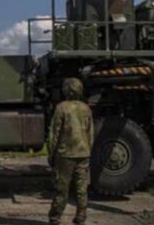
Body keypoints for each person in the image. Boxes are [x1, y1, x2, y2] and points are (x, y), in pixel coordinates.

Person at [47, 77, 94, 225]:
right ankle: (81, 216)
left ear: (66, 90)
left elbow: (54, 133)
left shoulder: (61, 108)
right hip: (83, 153)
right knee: (81, 188)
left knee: (62, 188)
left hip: (65, 154)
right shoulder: (86, 108)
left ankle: (55, 217)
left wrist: (51, 154)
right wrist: (88, 149)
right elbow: (90, 133)